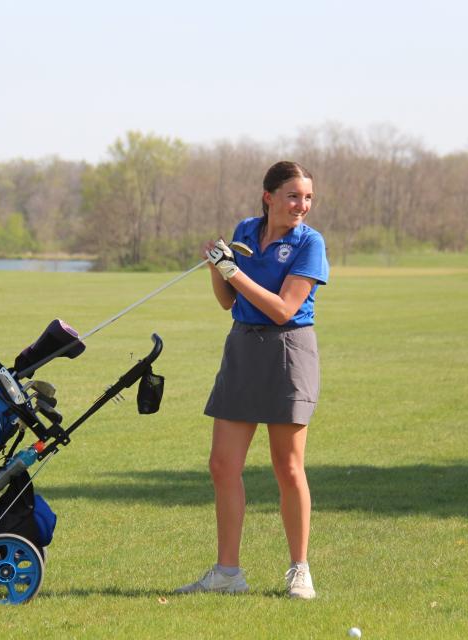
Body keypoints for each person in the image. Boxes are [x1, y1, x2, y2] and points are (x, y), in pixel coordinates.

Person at [175, 161, 329, 599]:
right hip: (242, 347)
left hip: (288, 351)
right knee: (222, 465)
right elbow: (228, 301)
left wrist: (233, 272)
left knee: (288, 466)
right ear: (269, 197)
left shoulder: (310, 243)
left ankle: (299, 569)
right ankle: (227, 573)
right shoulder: (245, 229)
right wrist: (215, 267)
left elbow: (283, 308)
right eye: (293, 196)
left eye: (308, 197)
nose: (302, 205)